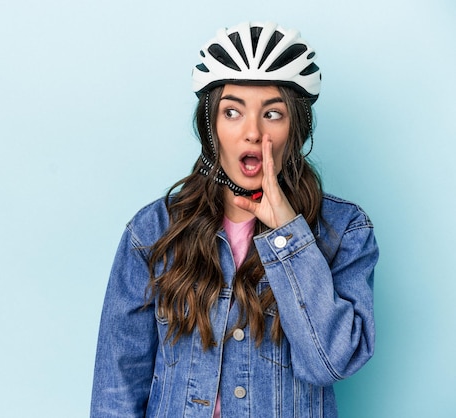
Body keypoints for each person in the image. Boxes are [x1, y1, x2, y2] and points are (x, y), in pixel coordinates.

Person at [90, 20, 379, 418]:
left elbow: (332, 361)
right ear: (211, 128)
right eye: (232, 112)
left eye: (273, 114)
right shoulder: (152, 233)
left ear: (296, 128)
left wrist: (287, 236)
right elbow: (117, 389)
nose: (252, 133)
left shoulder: (344, 232)